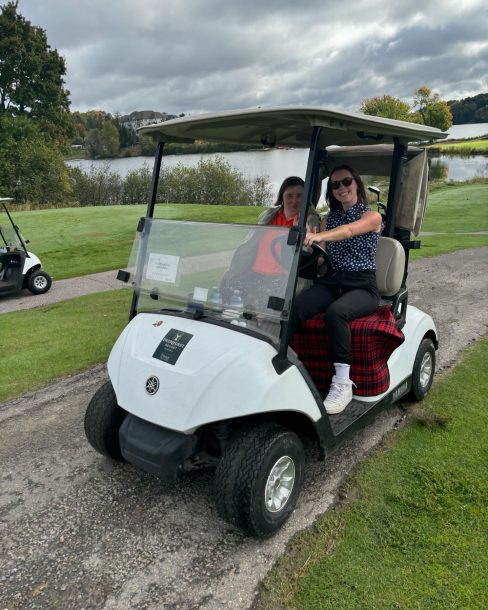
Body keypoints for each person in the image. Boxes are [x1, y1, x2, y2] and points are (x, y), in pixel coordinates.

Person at [293, 165, 382, 415]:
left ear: (356, 184)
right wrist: (311, 243)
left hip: (362, 285)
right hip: (333, 281)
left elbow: (350, 231)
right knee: (296, 306)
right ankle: (283, 364)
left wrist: (322, 236)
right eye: (335, 185)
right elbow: (320, 253)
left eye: (346, 182)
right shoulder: (328, 218)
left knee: (337, 313)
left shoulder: (372, 217)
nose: (342, 188)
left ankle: (343, 383)